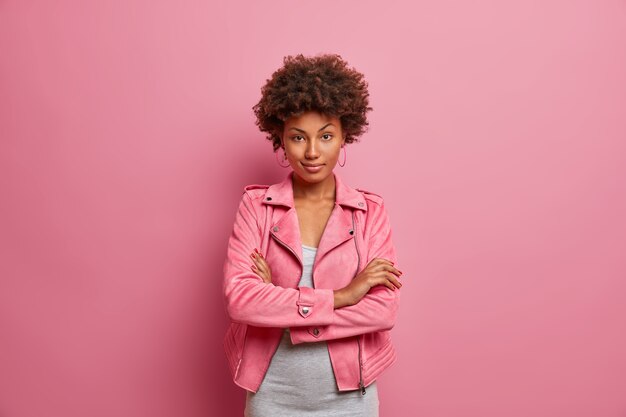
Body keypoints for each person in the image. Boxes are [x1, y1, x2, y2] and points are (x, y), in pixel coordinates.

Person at [222, 53, 403, 417]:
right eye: (298, 137)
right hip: (274, 394)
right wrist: (344, 295)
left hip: (351, 397)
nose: (312, 152)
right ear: (281, 141)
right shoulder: (257, 206)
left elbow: (382, 312)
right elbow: (241, 301)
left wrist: (282, 303)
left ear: (343, 137)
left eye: (325, 136)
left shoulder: (370, 212)